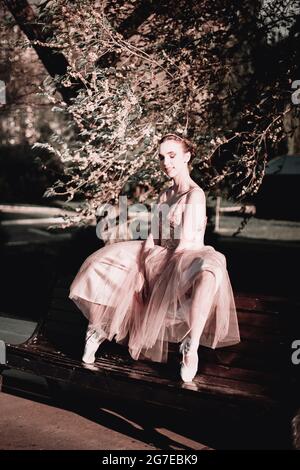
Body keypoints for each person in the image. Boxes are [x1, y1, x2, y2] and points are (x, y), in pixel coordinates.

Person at [69, 133, 240, 382]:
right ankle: (97, 329)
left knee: (209, 271)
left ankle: (190, 347)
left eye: (172, 156)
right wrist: (143, 263)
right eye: (162, 157)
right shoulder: (165, 194)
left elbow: (184, 245)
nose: (166, 163)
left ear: (187, 157)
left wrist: (155, 275)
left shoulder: (195, 195)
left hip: (187, 256)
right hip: (161, 254)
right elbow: (153, 236)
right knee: (102, 263)